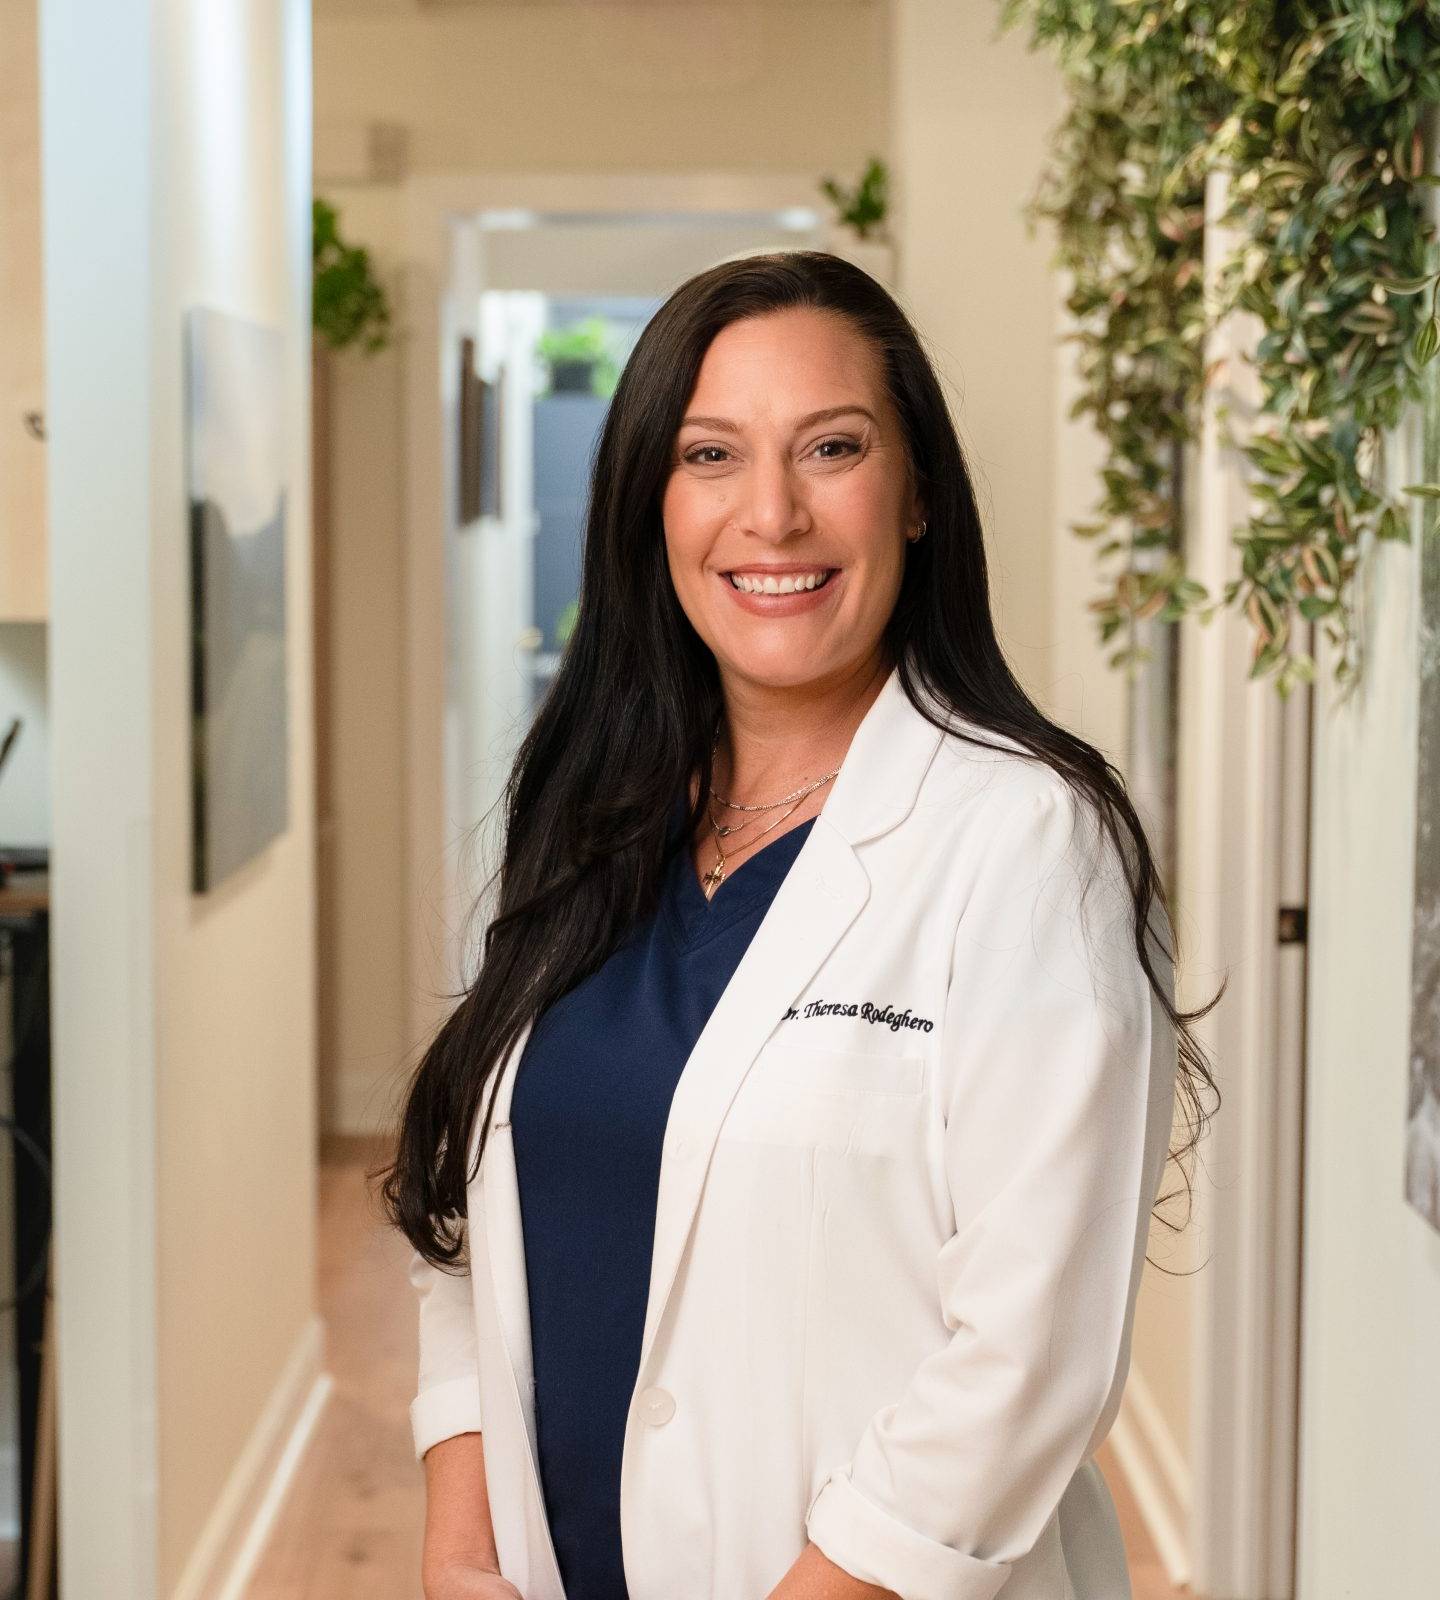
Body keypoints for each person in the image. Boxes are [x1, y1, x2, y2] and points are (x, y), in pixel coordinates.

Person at [377, 249, 1220, 1600]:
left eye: (832, 447)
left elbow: (1025, 1358)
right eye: (710, 455)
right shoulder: (594, 816)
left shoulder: (1030, 840)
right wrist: (463, 1549)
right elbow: (484, 1225)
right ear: (651, 503)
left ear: (920, 494)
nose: (770, 514)